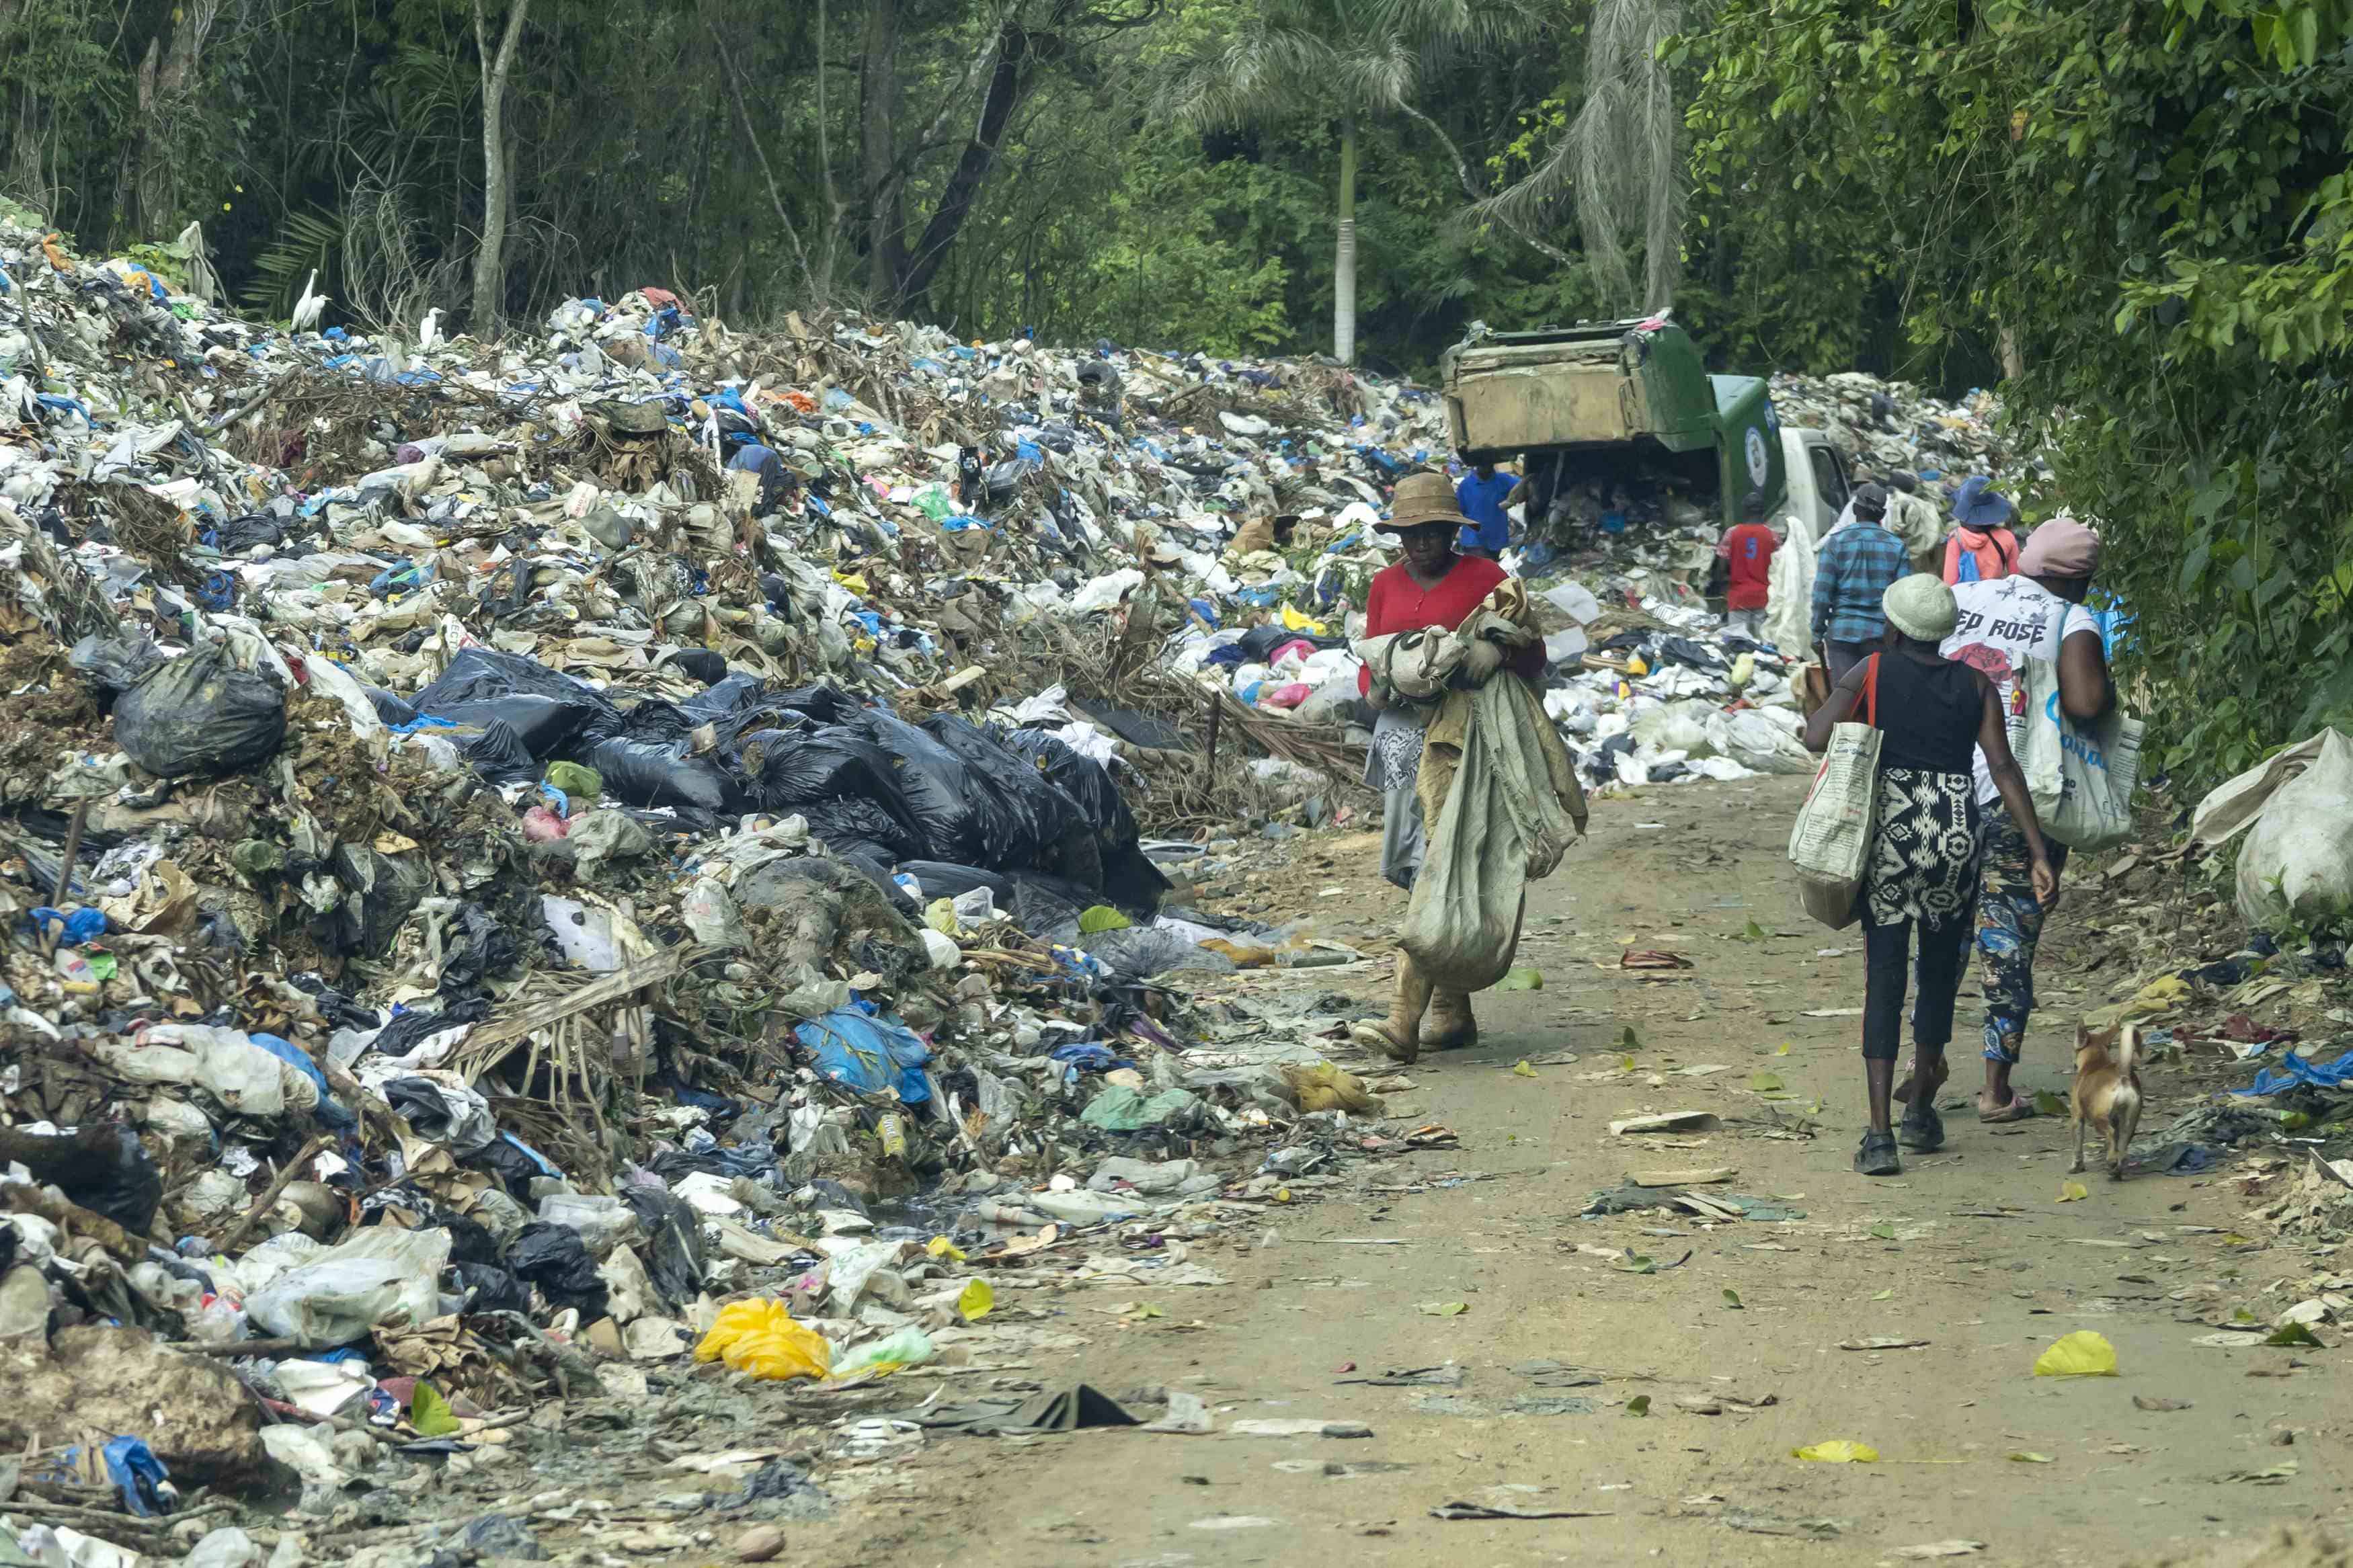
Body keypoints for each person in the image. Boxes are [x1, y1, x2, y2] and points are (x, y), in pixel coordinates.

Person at [1804, 575, 2057, 1176]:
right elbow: (2002, 767)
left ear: (1893, 627)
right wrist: (2038, 849)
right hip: (1953, 835)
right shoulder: (1976, 684)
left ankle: (1879, 1134)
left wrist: (1843, 704)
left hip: (1893, 833)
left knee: (1885, 974)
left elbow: (1816, 735)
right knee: (1939, 972)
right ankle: (1920, 1108)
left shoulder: (1870, 671)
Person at [1355, 470, 1547, 1059]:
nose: (1422, 543)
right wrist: (1377, 687)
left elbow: (1533, 651)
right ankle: (1452, 1010)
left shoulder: (1487, 578)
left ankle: (1402, 1020)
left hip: (1465, 738)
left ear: (1454, 532)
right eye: (1411, 534)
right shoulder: (1384, 584)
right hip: (1401, 738)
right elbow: (1368, 657)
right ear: (1397, 537)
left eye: (1434, 532)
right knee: (1414, 863)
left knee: (1447, 861)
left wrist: (1498, 651)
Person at [1934, 514, 2111, 1123]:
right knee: (2007, 944)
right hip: (2022, 798)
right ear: (2081, 580)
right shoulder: (2072, 618)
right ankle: (1995, 1091)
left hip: (1944, 789)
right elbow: (2086, 702)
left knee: (1940, 938)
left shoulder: (1961, 596)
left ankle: (1921, 1067)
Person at [1809, 482, 1905, 682]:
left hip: (1842, 634)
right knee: (1878, 699)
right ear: (1882, 514)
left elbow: (1822, 595)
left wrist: (1817, 634)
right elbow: (1903, 599)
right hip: (1881, 637)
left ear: (1854, 509)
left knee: (1846, 701)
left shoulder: (1836, 542)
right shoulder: (1897, 546)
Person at [1717, 491, 1778, 641]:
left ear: (1744, 510)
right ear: (1763, 510)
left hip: (1739, 597)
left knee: (1739, 647)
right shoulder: (1772, 535)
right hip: (1765, 597)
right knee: (1765, 648)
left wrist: (1723, 583)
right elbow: (1780, 568)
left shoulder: (1732, 533)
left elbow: (1721, 565)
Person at [1942, 475, 2020, 584]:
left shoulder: (1957, 539)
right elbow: (2016, 578)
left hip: (1967, 599)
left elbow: (1950, 582)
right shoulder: (2008, 537)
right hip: (1995, 596)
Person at [1453, 460, 1515, 559]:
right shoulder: (1466, 485)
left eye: (1488, 464)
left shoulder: (1504, 480)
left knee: (1490, 568)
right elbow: (1458, 511)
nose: (1486, 467)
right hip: (1474, 540)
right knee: (1481, 569)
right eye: (1482, 464)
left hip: (1496, 540)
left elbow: (1522, 488)